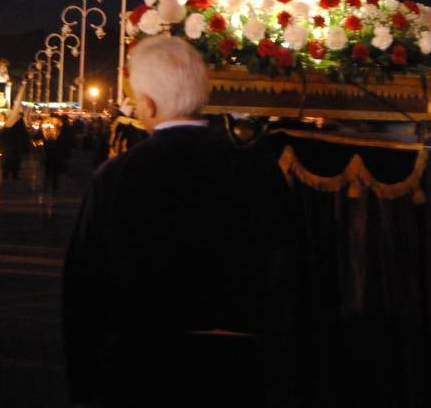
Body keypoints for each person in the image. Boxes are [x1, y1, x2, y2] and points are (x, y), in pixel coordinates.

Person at [63, 36, 297, 407]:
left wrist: (86, 384)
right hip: (239, 369)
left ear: (149, 104)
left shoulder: (116, 176)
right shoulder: (259, 170)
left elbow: (85, 285)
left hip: (143, 366)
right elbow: (287, 273)